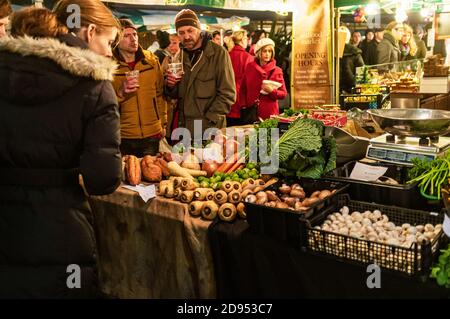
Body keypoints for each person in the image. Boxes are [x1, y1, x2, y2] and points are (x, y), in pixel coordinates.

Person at [0, 0, 122, 298]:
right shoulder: (94, 84)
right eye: (108, 42)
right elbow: (102, 178)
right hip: (60, 227)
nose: (109, 52)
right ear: (90, 30)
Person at [165, 9, 235, 137]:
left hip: (210, 129)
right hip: (184, 129)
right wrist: (171, 85)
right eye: (181, 33)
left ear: (199, 29)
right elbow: (177, 95)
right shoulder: (179, 56)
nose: (186, 36)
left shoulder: (218, 53)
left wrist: (209, 119)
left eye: (190, 31)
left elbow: (228, 94)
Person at [112, 19, 167, 157]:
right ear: (116, 40)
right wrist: (121, 93)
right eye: (126, 36)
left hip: (152, 133)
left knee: (152, 174)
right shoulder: (109, 66)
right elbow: (105, 103)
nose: (133, 39)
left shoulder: (151, 61)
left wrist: (163, 124)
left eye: (134, 34)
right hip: (124, 135)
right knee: (128, 175)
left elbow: (160, 93)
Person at [240, 38, 287, 121]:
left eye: (270, 51)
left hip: (270, 113)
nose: (267, 54)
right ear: (259, 52)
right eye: (264, 51)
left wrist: (272, 91)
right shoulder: (250, 68)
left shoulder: (277, 70)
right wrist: (243, 105)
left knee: (272, 134)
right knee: (253, 133)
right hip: (252, 112)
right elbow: (243, 89)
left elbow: (283, 94)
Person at [226, 30, 254, 127]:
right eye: (246, 38)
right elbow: (250, 81)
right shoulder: (248, 57)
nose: (247, 40)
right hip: (242, 97)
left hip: (227, 95)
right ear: (241, 40)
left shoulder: (227, 55)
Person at [339, 26, 364, 93]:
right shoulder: (355, 52)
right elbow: (361, 74)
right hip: (351, 89)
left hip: (336, 89)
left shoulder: (331, 52)